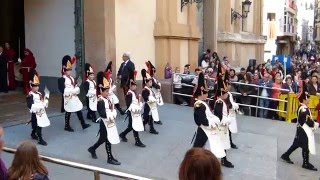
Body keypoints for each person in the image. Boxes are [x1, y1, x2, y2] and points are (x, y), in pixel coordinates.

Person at [281, 82, 319, 171]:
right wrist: (315, 124)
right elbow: (308, 121)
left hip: (300, 129)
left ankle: (286, 155)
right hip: (303, 130)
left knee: (297, 144)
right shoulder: (304, 109)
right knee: (305, 146)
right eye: (308, 99)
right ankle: (305, 163)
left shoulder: (302, 107)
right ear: (304, 100)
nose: (309, 100)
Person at [192, 72, 227, 165]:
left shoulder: (203, 102)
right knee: (198, 146)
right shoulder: (199, 104)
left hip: (207, 127)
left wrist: (213, 120)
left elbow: (209, 114)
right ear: (202, 93)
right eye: (206, 93)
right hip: (204, 128)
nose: (207, 94)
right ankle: (192, 161)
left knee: (202, 145)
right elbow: (201, 119)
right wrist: (211, 123)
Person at [88, 72, 121, 165]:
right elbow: (102, 114)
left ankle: (92, 149)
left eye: (108, 91)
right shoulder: (100, 101)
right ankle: (109, 158)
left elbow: (112, 108)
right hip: (104, 123)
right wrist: (112, 114)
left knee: (103, 139)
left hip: (110, 122)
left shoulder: (107, 98)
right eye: (106, 91)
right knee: (107, 139)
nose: (108, 92)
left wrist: (113, 112)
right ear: (101, 91)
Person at [58, 55, 91, 132]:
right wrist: (73, 90)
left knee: (78, 109)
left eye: (70, 70)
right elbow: (63, 90)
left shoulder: (72, 78)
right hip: (68, 97)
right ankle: (66, 126)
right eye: (68, 70)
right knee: (68, 111)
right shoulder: (63, 79)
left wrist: (77, 87)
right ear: (64, 70)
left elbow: (75, 85)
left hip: (74, 97)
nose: (70, 71)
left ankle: (83, 124)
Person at [119, 70, 146, 147]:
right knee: (134, 126)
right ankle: (137, 141)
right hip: (132, 112)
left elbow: (136, 102)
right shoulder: (129, 93)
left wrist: (139, 101)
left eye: (135, 85)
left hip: (136, 112)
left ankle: (122, 134)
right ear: (130, 86)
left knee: (131, 126)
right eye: (133, 85)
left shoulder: (134, 93)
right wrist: (133, 110)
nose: (134, 86)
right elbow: (129, 104)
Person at [214, 76, 234, 168]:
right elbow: (219, 116)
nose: (227, 94)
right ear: (221, 93)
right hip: (221, 127)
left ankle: (223, 159)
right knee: (221, 144)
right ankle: (221, 160)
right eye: (225, 93)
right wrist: (227, 120)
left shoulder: (222, 101)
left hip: (223, 127)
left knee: (223, 144)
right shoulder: (219, 102)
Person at [27, 70, 50, 146]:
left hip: (41, 112)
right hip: (35, 113)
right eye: (35, 86)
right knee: (39, 125)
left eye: (37, 85)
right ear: (31, 86)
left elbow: (42, 101)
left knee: (37, 125)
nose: (37, 87)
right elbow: (30, 105)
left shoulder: (39, 93)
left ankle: (33, 134)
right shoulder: (30, 95)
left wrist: (45, 101)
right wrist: (39, 106)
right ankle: (40, 139)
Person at [141, 69, 159, 134]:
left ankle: (152, 128)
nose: (151, 83)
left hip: (152, 105)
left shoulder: (150, 89)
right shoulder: (145, 90)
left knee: (151, 117)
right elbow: (145, 98)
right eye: (150, 82)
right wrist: (150, 99)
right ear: (147, 83)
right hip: (147, 105)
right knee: (146, 117)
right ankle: (143, 124)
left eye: (151, 82)